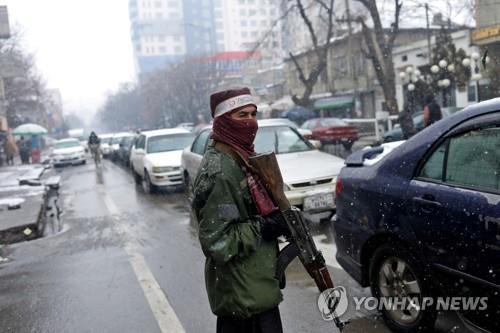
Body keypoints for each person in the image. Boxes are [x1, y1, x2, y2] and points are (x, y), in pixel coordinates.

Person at [192, 87, 290, 333]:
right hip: (242, 299)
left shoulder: (242, 157)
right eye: (241, 116)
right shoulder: (220, 171)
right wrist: (265, 227)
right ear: (224, 121)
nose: (250, 122)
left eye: (253, 114)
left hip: (257, 290)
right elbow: (218, 241)